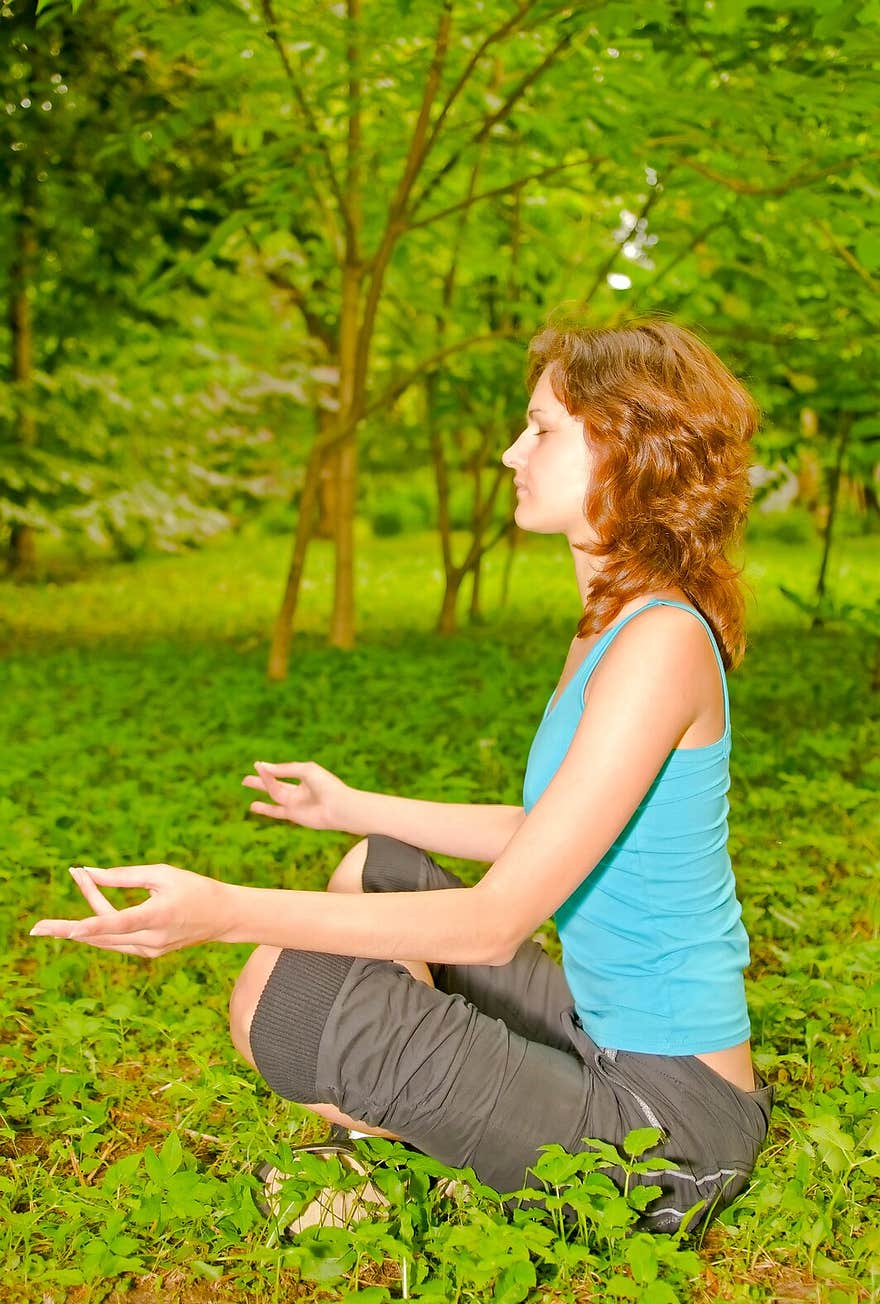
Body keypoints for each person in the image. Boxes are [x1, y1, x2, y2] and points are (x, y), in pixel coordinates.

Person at [30, 314, 774, 1239]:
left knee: (278, 994)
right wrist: (349, 804)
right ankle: (399, 1161)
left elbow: (494, 925)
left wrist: (221, 909)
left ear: (629, 448)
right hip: (599, 1034)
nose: (512, 451)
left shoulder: (659, 641)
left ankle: (466, 1155)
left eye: (541, 428)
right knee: (374, 861)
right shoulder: (615, 620)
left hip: (671, 1129)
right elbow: (551, 829)